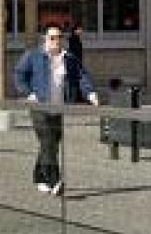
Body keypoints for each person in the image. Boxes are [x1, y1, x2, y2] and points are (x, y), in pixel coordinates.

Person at [12, 23, 99, 197]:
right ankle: (55, 180)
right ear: (45, 39)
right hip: (39, 107)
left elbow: (82, 76)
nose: (56, 41)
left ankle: (39, 178)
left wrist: (90, 93)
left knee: (51, 143)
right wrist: (28, 93)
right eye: (52, 38)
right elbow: (19, 74)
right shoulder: (33, 56)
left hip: (58, 107)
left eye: (59, 37)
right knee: (47, 142)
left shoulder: (69, 58)